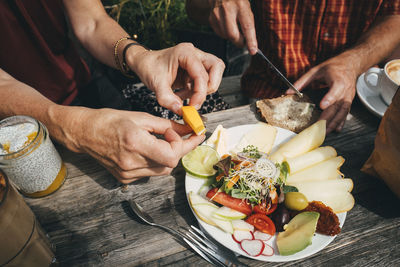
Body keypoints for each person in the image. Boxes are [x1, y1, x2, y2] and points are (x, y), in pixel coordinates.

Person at [0, 0, 226, 184]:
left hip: (85, 79)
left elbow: (92, 22)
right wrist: (76, 129)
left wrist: (140, 57)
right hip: (17, 132)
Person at [186, 0, 400, 133]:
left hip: (358, 100)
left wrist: (353, 62)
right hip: (267, 91)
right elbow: (193, 9)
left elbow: (395, 17)